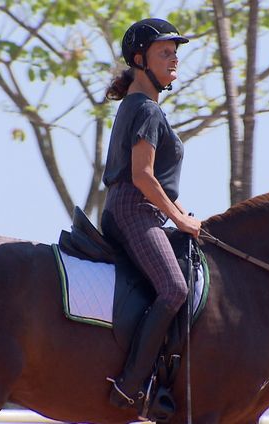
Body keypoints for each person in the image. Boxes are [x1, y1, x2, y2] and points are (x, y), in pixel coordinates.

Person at [101, 18, 202, 412]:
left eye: (176, 53)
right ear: (140, 59)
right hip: (135, 212)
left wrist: (180, 215)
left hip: (137, 210)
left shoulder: (141, 106)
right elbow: (142, 176)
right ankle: (129, 389)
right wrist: (179, 219)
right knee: (175, 289)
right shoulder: (145, 109)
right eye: (165, 52)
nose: (174, 59)